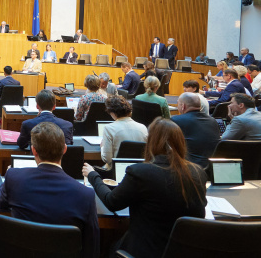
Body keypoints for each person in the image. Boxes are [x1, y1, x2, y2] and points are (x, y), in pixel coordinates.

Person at [83, 119, 207, 258]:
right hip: (183, 252)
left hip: (144, 251)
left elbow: (111, 202)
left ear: (151, 142)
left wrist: (93, 176)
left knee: (106, 246)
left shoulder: (140, 172)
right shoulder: (198, 172)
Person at [0, 122, 99, 258]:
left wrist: (8, 176)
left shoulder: (14, 177)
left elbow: (1, 201)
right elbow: (91, 248)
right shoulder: (86, 194)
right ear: (65, 149)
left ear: (34, 150)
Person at [170, 92, 220, 168]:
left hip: (188, 168)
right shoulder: (212, 121)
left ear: (183, 106)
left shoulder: (176, 120)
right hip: (211, 167)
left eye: (178, 104)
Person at [99, 95, 148, 170]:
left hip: (117, 170)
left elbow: (107, 159)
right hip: (139, 169)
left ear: (112, 113)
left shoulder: (109, 128)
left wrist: (102, 147)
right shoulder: (143, 127)